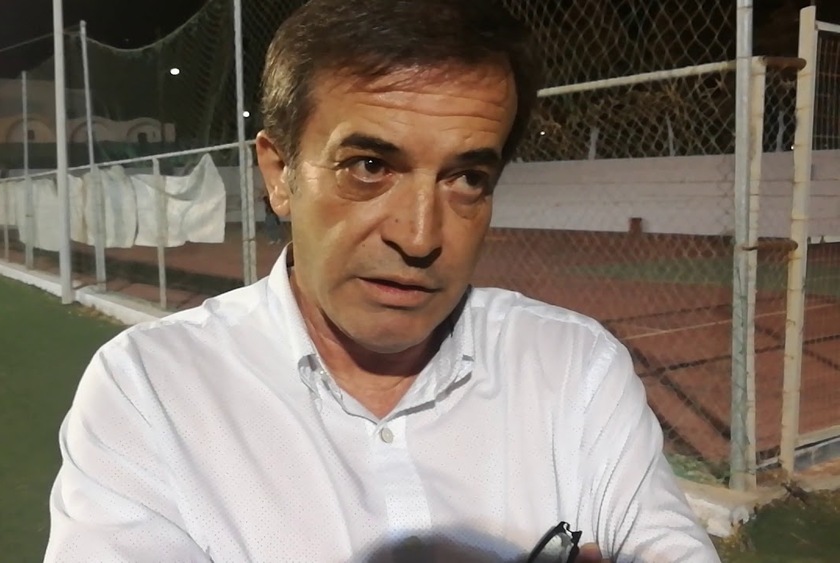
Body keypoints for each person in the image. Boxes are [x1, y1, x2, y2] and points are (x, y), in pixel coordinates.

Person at [44, 1, 720, 561]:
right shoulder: (151, 392)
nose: (420, 236)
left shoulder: (575, 369)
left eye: (467, 178)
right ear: (280, 174)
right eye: (369, 166)